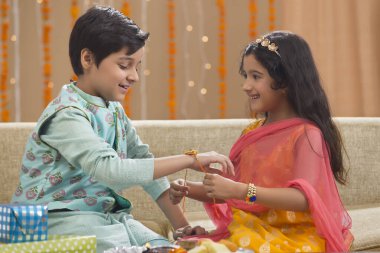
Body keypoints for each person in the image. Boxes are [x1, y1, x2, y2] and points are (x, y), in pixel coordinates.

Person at [11, 6, 233, 252]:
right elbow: (111, 171)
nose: (135, 76)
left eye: (137, 66)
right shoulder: (66, 114)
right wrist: (189, 160)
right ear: (87, 59)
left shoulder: (113, 110)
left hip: (104, 218)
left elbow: (146, 166)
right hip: (54, 222)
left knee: (168, 247)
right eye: (125, 65)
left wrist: (183, 228)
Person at [169, 31, 353, 252]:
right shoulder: (252, 131)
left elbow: (303, 198)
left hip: (294, 235)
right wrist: (188, 188)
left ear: (285, 82)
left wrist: (240, 190)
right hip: (252, 228)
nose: (246, 86)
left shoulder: (306, 134)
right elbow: (231, 192)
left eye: (256, 76)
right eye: (245, 76)